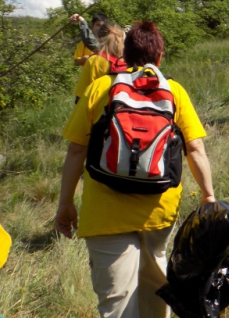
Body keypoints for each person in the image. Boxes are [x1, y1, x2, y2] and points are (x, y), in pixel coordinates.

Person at [56, 21, 215, 318]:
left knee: (117, 298)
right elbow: (195, 149)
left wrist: (65, 204)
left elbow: (76, 149)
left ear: (125, 54)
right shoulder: (174, 91)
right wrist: (208, 196)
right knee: (156, 284)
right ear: (160, 56)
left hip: (104, 211)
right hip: (159, 207)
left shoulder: (100, 87)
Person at [73, 23, 126, 102]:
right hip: (119, 107)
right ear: (122, 38)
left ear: (98, 38)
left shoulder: (94, 61)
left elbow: (81, 96)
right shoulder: (128, 61)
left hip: (97, 107)